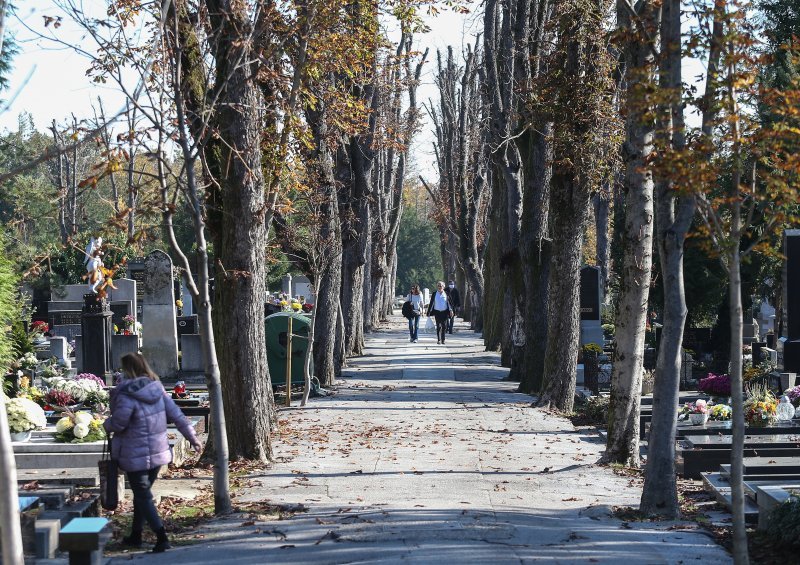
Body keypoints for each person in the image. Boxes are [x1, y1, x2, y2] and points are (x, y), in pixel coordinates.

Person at [103, 353, 202, 553]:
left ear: (128, 370)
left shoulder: (125, 394)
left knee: (143, 495)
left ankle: (161, 536)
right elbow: (177, 416)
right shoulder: (157, 389)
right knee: (143, 495)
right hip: (158, 452)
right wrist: (193, 438)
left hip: (134, 454)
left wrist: (106, 423)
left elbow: (119, 423)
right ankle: (136, 536)